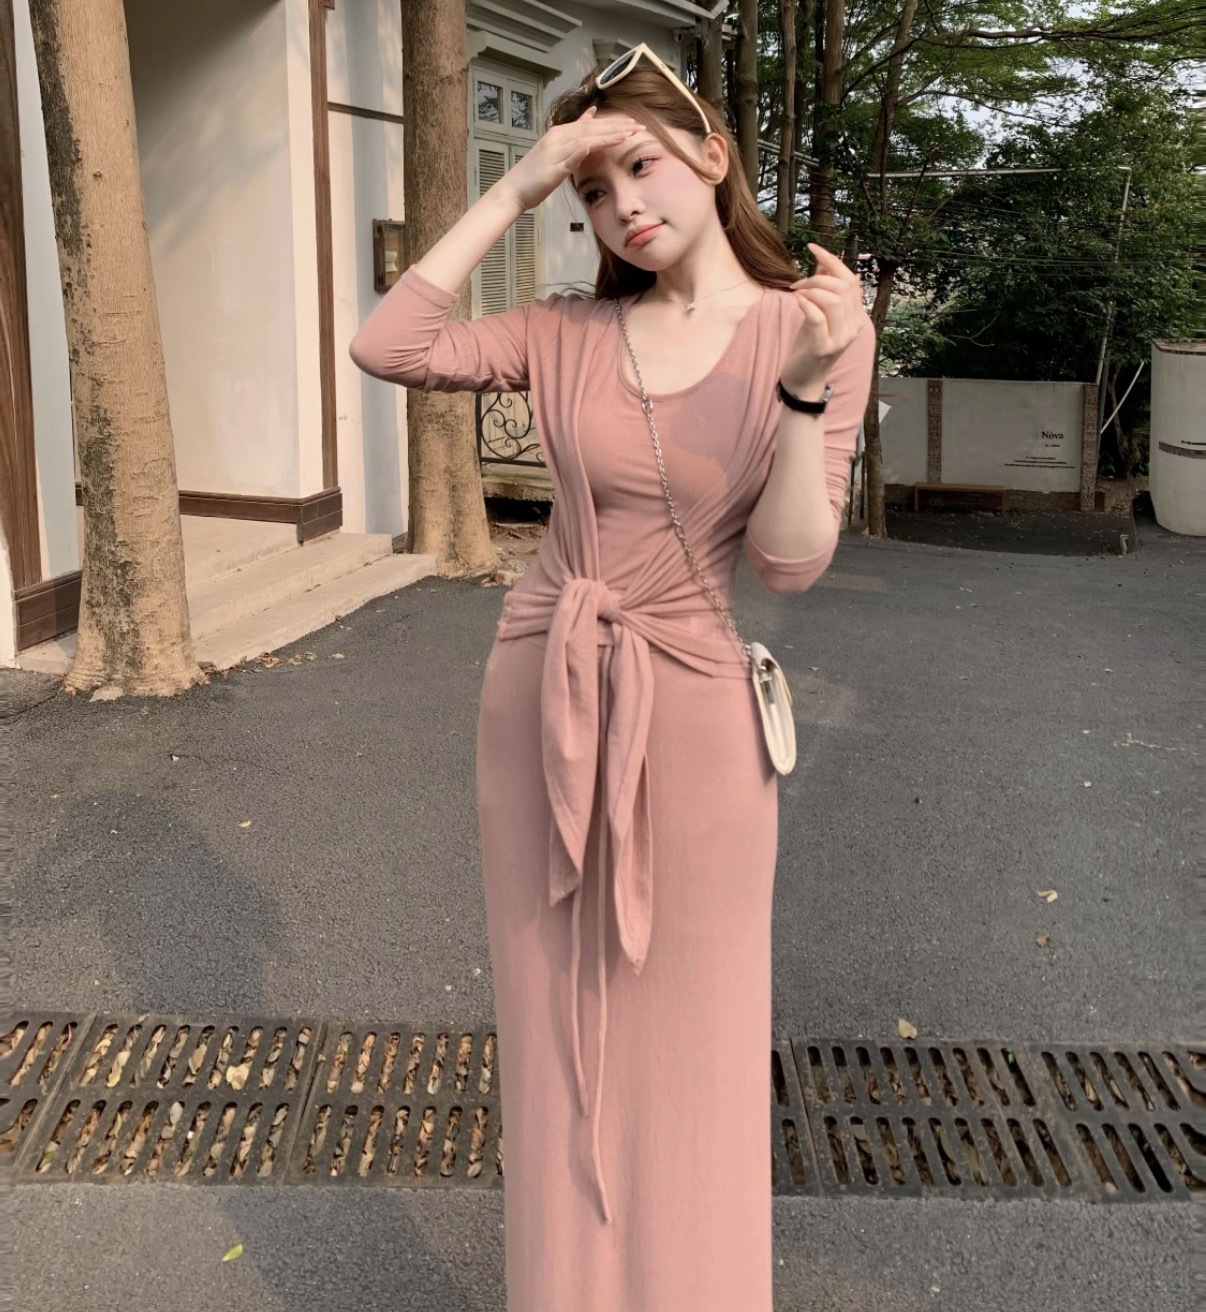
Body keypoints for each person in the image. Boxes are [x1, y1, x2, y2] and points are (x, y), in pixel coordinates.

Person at [350, 46, 874, 1312]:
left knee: (694, 1044)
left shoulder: (812, 329)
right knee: (552, 1033)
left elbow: (791, 562)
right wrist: (518, 181)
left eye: (640, 165)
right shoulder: (564, 332)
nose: (621, 204)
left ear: (712, 156)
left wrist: (805, 393)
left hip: (693, 711)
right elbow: (388, 342)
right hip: (543, 693)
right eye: (594, 190)